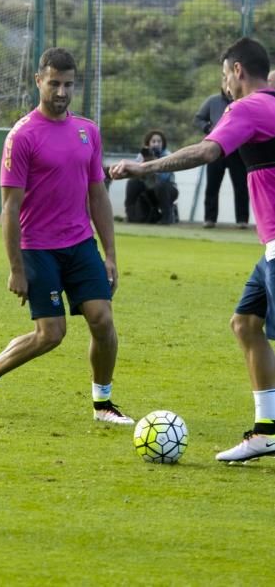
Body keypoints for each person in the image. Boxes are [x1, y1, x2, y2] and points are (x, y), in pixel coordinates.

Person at [110, 36, 275, 462]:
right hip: (269, 247)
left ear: (237, 70)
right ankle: (266, 430)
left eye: (224, 74)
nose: (224, 84)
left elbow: (205, 150)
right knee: (245, 324)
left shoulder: (248, 108)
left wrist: (143, 166)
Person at [0, 47, 133, 425]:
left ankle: (103, 404)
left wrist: (111, 254)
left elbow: (97, 195)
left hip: (81, 243)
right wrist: (15, 268)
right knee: (50, 334)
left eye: (69, 84)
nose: (62, 92)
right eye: (54, 83)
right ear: (38, 81)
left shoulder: (88, 131)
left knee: (102, 320)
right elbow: (9, 208)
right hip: (38, 249)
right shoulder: (22, 136)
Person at [193, 86, 249, 228]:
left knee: (241, 186)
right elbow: (198, 118)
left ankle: (242, 220)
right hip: (215, 149)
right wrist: (207, 128)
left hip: (237, 150)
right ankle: (210, 219)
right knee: (212, 185)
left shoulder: (243, 101)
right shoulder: (213, 101)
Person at [124, 129, 179, 225]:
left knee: (161, 186)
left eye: (159, 141)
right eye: (153, 141)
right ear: (148, 143)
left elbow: (164, 178)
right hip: (148, 189)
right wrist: (143, 163)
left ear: (163, 143)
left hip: (167, 189)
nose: (156, 144)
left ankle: (167, 218)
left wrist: (154, 163)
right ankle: (131, 216)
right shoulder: (142, 155)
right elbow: (135, 173)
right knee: (132, 183)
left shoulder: (167, 156)